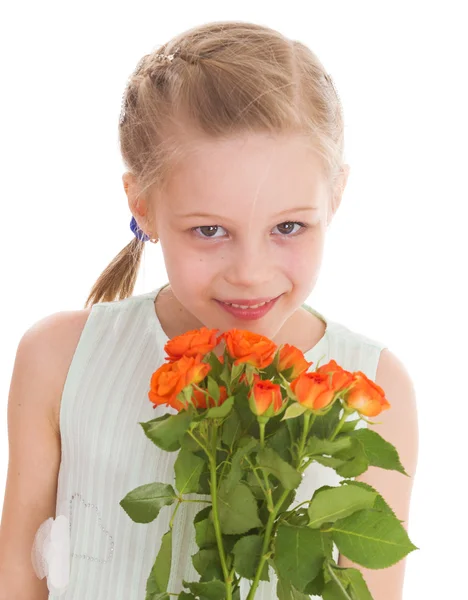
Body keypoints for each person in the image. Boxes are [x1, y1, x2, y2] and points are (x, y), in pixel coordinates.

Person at [0, 20, 419, 600]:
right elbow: (19, 581)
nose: (250, 270)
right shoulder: (58, 361)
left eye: (289, 226)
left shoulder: (371, 385)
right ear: (141, 205)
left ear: (336, 197)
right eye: (211, 230)